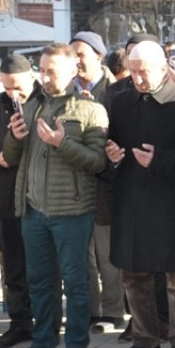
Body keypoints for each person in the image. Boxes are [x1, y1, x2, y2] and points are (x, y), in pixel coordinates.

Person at [2, 43, 109, 348]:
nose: (45, 77)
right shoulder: (30, 105)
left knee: (76, 282)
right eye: (43, 70)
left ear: (74, 71)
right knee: (39, 280)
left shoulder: (90, 110)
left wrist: (61, 143)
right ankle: (43, 344)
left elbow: (98, 162)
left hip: (72, 212)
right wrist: (14, 138)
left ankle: (76, 346)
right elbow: (12, 158)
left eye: (53, 71)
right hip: (34, 210)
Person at [104, 40, 175, 348]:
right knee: (134, 276)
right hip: (131, 201)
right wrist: (112, 156)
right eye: (133, 72)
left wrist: (160, 160)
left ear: (164, 68)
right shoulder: (119, 102)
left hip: (172, 202)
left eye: (144, 72)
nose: (138, 79)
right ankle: (144, 338)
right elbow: (110, 148)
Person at [0, 55, 48, 348]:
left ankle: (47, 322)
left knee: (43, 265)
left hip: (39, 195)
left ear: (31, 77)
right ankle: (19, 322)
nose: (13, 94)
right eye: (6, 87)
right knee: (13, 266)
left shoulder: (46, 99)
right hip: (6, 195)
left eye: (18, 87)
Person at [70, 32, 123, 332]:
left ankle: (114, 310)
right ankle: (91, 310)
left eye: (82, 54)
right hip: (75, 182)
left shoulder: (116, 90)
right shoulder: (64, 90)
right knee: (82, 253)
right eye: (72, 54)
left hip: (107, 183)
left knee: (107, 252)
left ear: (99, 57)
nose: (77, 60)